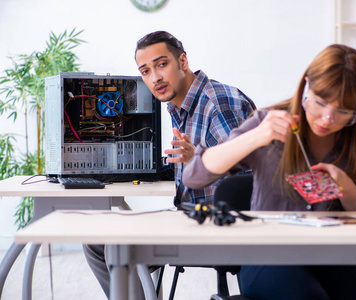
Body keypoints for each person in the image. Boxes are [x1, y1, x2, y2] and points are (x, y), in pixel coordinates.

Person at [183, 44, 356, 300]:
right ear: (305, 87)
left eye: (343, 112)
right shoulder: (268, 124)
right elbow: (193, 176)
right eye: (320, 103)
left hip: (334, 253)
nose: (326, 119)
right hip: (267, 253)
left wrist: (346, 188)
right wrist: (256, 137)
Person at [83, 31, 256, 298]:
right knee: (95, 239)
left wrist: (198, 160)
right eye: (145, 71)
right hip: (189, 216)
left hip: (219, 229)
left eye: (161, 64)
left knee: (112, 247)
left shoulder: (218, 104)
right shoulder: (181, 104)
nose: (155, 78)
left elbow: (249, 185)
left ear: (183, 61)